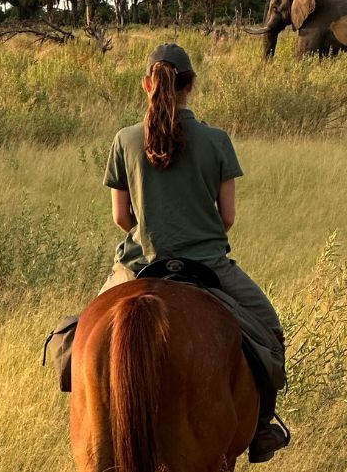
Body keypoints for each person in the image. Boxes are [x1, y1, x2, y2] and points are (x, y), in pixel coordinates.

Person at [100, 43, 289, 462]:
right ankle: (261, 428)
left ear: (146, 84)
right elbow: (228, 218)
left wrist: (153, 234)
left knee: (81, 337)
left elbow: (120, 217)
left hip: (138, 266)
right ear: (191, 85)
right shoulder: (217, 141)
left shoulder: (124, 140)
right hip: (208, 267)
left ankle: (90, 409)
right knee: (270, 330)